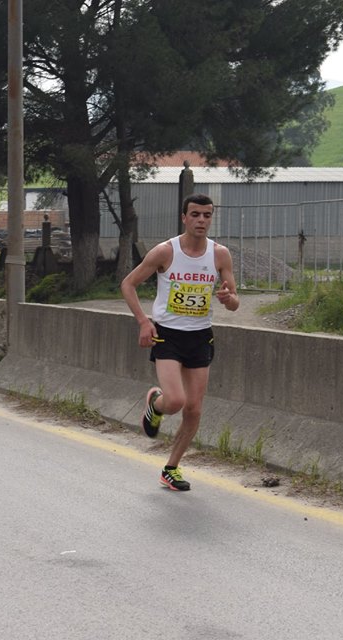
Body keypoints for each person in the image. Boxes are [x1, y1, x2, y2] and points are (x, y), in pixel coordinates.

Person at [120, 193, 239, 492]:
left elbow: (234, 302)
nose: (201, 220)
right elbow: (128, 284)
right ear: (184, 217)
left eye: (207, 215)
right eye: (195, 214)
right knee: (175, 401)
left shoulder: (220, 254)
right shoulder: (165, 252)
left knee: (194, 409)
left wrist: (228, 298)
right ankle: (155, 404)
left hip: (200, 336)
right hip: (168, 334)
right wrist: (144, 322)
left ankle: (170, 468)